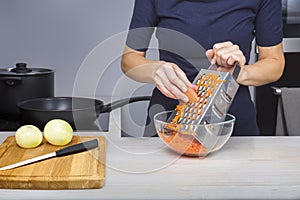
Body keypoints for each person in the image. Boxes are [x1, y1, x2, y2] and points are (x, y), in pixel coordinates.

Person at [121, 0, 285, 137]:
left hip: (233, 125)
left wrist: (238, 73)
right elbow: (129, 59)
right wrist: (155, 69)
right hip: (168, 123)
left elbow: (274, 63)